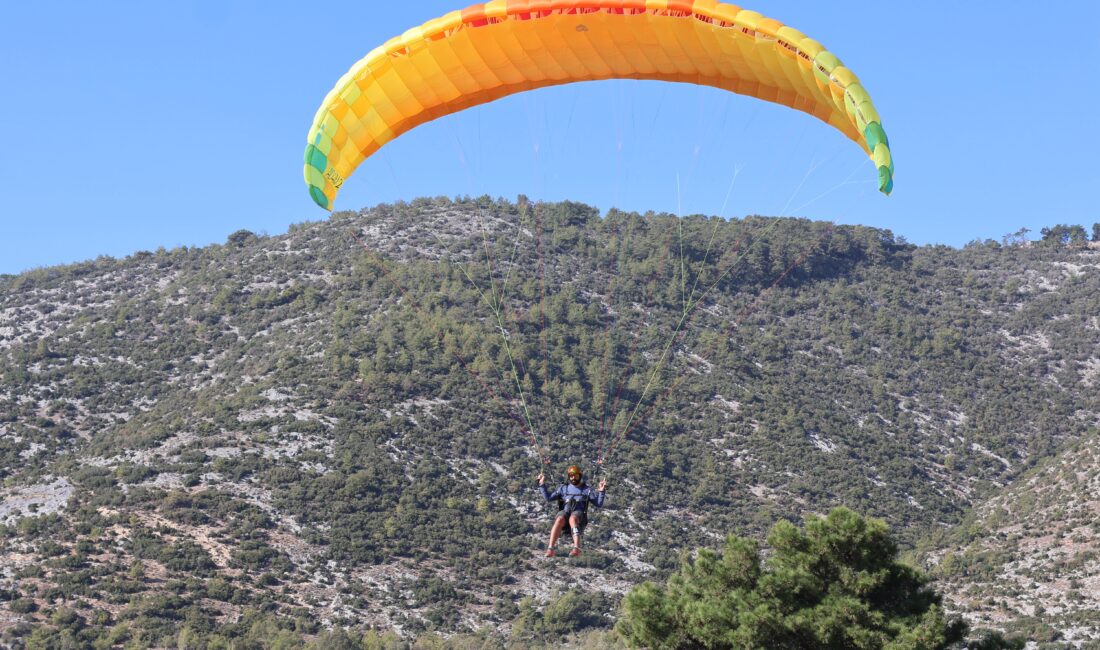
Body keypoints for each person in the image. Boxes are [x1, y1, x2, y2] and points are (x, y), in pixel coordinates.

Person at [538, 465, 607, 557]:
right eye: (571, 476)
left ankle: (576, 548)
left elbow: (598, 504)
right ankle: (550, 549)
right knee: (559, 519)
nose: (573, 478)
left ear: (580, 476)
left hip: (579, 514)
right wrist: (542, 484)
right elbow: (548, 498)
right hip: (566, 512)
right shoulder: (563, 488)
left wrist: (601, 491)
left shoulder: (587, 490)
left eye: (575, 475)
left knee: (573, 518)